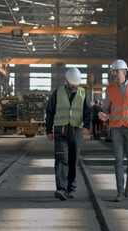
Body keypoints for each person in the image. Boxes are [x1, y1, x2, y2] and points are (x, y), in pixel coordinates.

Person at [98, 59, 128, 202]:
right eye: (113, 71)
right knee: (118, 160)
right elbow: (106, 108)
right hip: (116, 127)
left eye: (116, 71)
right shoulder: (110, 88)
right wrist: (105, 115)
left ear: (124, 72)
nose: (114, 73)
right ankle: (120, 191)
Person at [45, 67, 92, 201]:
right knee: (61, 160)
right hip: (61, 132)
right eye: (71, 83)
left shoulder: (83, 93)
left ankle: (71, 188)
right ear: (66, 80)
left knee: (73, 160)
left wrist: (87, 127)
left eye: (76, 83)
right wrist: (49, 130)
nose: (73, 85)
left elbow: (88, 111)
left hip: (76, 132)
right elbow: (50, 111)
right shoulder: (57, 93)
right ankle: (61, 189)